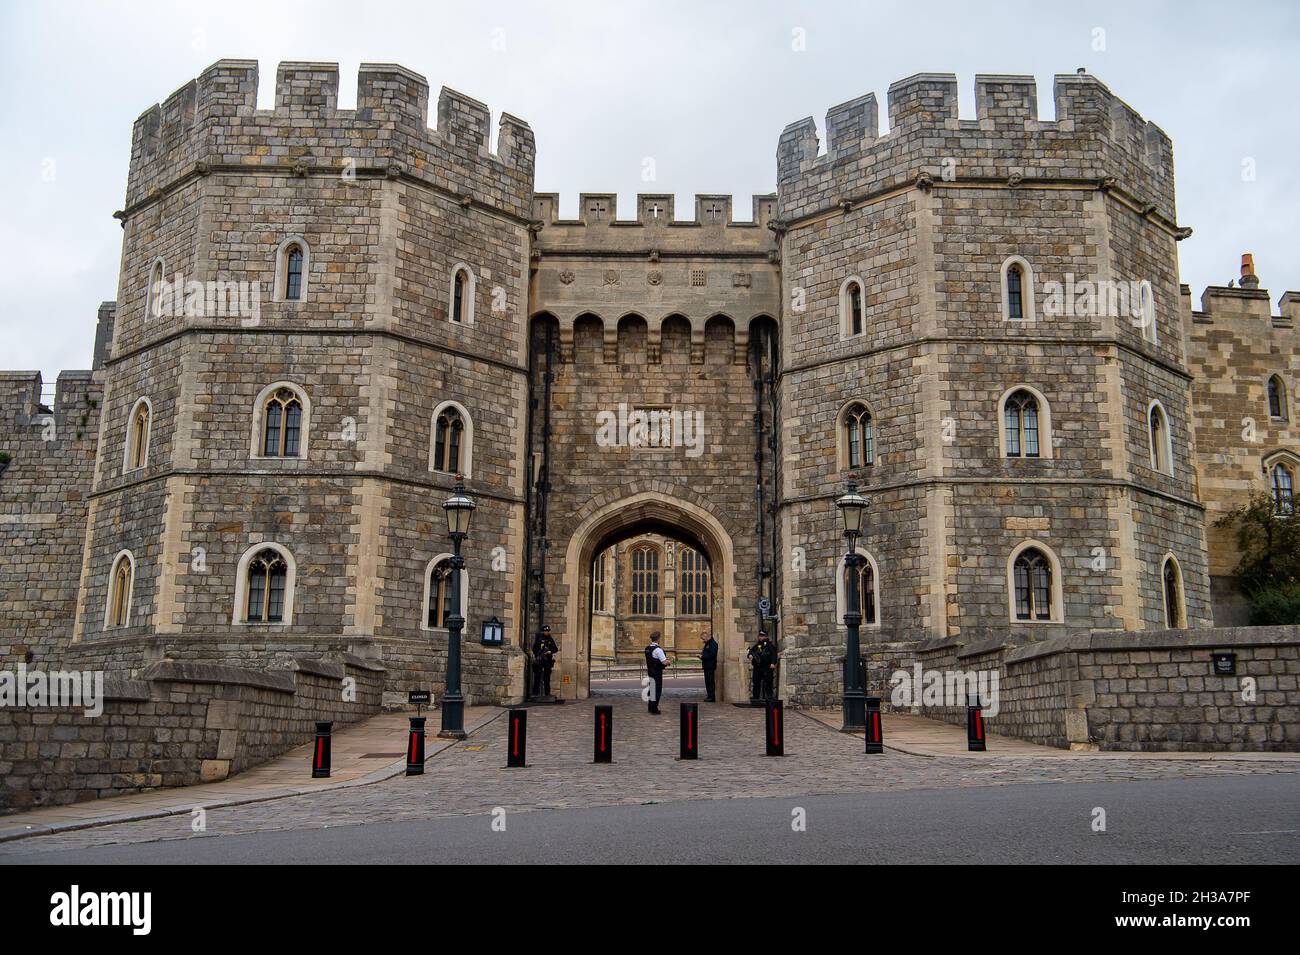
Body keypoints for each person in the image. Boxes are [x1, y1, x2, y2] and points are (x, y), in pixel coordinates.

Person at [644, 631, 669, 714]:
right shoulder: (658, 650)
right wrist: (669, 662)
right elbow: (664, 662)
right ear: (658, 639)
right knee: (657, 690)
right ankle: (654, 708)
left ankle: (650, 706)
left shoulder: (647, 648)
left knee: (652, 689)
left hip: (650, 671)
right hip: (657, 672)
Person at [747, 630, 776, 701]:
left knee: (768, 683)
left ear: (766, 636)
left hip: (767, 666)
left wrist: (773, 663)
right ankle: (755, 697)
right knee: (756, 682)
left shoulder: (770, 646)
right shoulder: (757, 646)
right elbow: (751, 652)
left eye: (762, 636)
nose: (760, 637)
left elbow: (773, 655)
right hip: (758, 667)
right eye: (760, 636)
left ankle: (769, 697)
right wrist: (750, 655)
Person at [531, 625, 558, 697]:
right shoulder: (539, 639)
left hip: (547, 661)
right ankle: (535, 693)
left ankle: (547, 693)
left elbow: (555, 649)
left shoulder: (550, 639)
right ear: (543, 631)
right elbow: (534, 649)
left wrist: (550, 652)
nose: (547, 632)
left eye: (548, 631)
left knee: (547, 678)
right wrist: (538, 655)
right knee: (537, 677)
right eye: (546, 631)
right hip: (540, 660)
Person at [699, 631, 719, 702]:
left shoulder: (713, 644)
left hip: (710, 665)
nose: (703, 641)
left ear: (707, 637)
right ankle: (709, 695)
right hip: (707, 665)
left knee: (710, 681)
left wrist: (703, 656)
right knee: (707, 681)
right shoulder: (708, 643)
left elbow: (712, 654)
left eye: (703, 639)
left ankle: (711, 696)